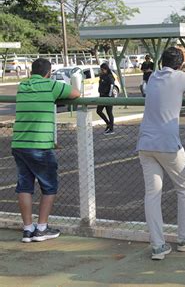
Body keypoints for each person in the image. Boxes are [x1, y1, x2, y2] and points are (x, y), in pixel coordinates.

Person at [136, 47, 185, 260]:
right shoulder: (180, 77)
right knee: (184, 187)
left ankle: (158, 246)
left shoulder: (152, 77)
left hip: (145, 142)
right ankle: (184, 236)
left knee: (152, 194)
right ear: (181, 64)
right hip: (168, 143)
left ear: (162, 61)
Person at [11, 58, 80, 243]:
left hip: (19, 143)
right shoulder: (51, 85)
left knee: (24, 186)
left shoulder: (22, 86)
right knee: (49, 186)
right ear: (48, 73)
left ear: (32, 71)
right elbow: (76, 93)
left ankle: (27, 229)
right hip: (40, 146)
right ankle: (41, 228)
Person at [96, 63, 115, 135]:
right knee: (99, 111)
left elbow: (112, 86)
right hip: (102, 96)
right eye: (101, 69)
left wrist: (109, 96)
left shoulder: (110, 76)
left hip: (108, 97)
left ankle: (111, 129)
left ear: (106, 69)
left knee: (109, 112)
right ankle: (108, 124)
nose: (101, 71)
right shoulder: (102, 76)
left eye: (102, 69)